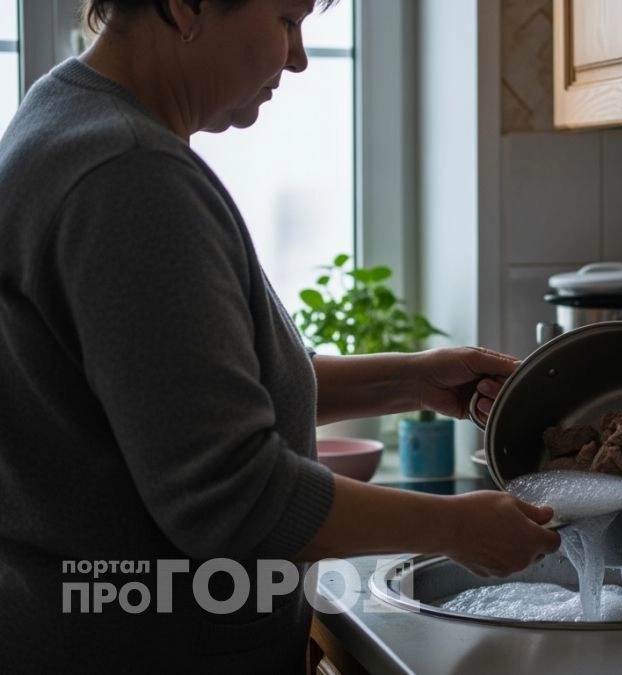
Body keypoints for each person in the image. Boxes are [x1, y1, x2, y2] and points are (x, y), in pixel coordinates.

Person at [0, 0, 560, 672]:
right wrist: (457, 527)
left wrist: (409, 379)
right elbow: (232, 496)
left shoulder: (67, 115)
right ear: (185, 7)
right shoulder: (129, 174)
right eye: (287, 21)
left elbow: (180, 402)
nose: (298, 58)